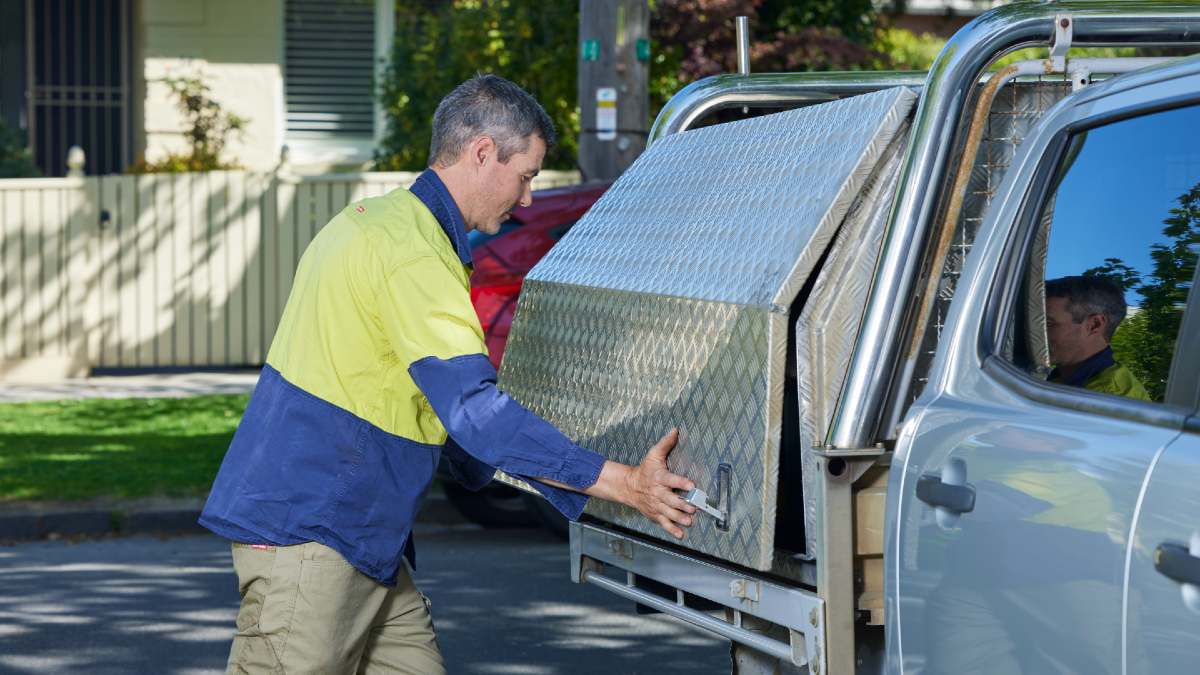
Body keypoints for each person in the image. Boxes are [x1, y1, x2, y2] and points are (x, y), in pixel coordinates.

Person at [199, 74, 698, 674]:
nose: (528, 199)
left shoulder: (384, 224)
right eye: (527, 175)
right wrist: (623, 484)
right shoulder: (412, 252)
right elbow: (474, 411)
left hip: (362, 537)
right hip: (312, 534)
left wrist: (508, 467)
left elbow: (430, 408)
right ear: (483, 151)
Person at [1044, 275, 1150, 401]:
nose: (1038, 332)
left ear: (1094, 325)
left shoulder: (1107, 401)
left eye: (1049, 323)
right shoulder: (1065, 376)